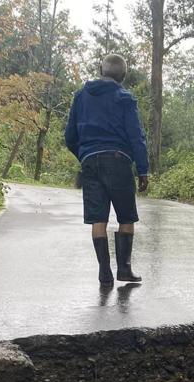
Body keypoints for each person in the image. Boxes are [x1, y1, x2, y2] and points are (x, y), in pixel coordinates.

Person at [65, 54, 150, 286]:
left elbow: (69, 137)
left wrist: (85, 154)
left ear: (101, 70)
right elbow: (136, 137)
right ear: (123, 76)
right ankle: (124, 269)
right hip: (118, 161)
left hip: (90, 163)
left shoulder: (81, 96)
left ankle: (104, 272)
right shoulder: (125, 98)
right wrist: (143, 170)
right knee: (126, 216)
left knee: (98, 219)